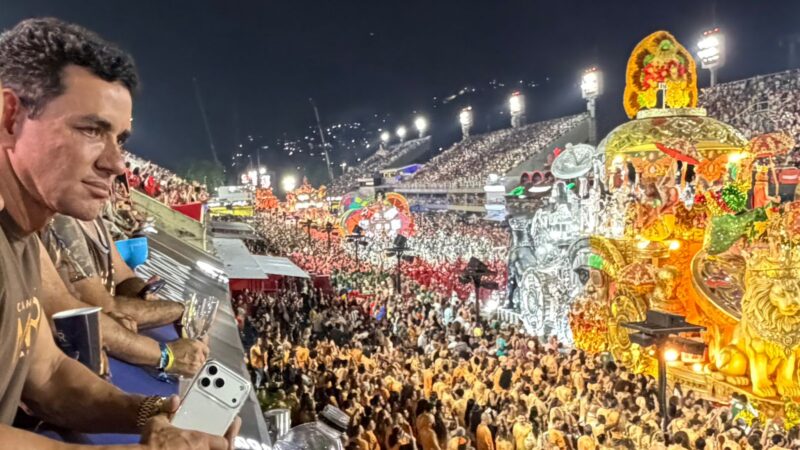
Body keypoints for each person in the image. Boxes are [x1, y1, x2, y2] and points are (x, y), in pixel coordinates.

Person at [0, 17, 236, 448]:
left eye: (120, 139)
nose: (117, 164)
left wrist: (155, 416)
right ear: (10, 116)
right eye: (91, 130)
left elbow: (49, 375)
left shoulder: (23, 235)